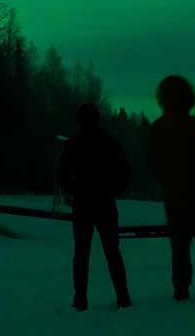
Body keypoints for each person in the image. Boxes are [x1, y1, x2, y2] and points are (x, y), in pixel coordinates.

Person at [147, 75, 195, 303]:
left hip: (175, 198)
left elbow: (153, 164)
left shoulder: (157, 129)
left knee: (179, 247)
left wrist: (166, 184)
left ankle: (181, 288)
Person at [58, 103, 133, 312]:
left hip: (83, 204)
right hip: (104, 203)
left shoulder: (73, 143)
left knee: (81, 254)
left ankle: (80, 299)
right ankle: (123, 297)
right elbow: (125, 171)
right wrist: (112, 190)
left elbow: (62, 174)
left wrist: (74, 190)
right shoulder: (109, 142)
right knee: (112, 252)